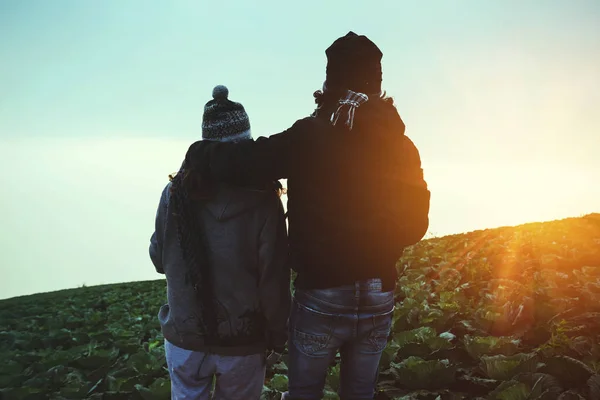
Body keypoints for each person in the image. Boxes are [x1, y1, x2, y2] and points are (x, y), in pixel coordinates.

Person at [183, 32, 430, 400]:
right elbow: (416, 225)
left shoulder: (311, 135)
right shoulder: (403, 146)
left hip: (322, 295)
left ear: (328, 81)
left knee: (304, 393)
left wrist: (200, 153)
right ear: (378, 84)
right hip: (380, 292)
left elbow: (248, 162)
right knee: (360, 393)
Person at [149, 85, 290, 400]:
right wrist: (278, 336)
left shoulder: (174, 193)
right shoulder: (264, 200)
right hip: (243, 342)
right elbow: (274, 279)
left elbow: (159, 258)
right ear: (246, 145)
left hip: (185, 338)